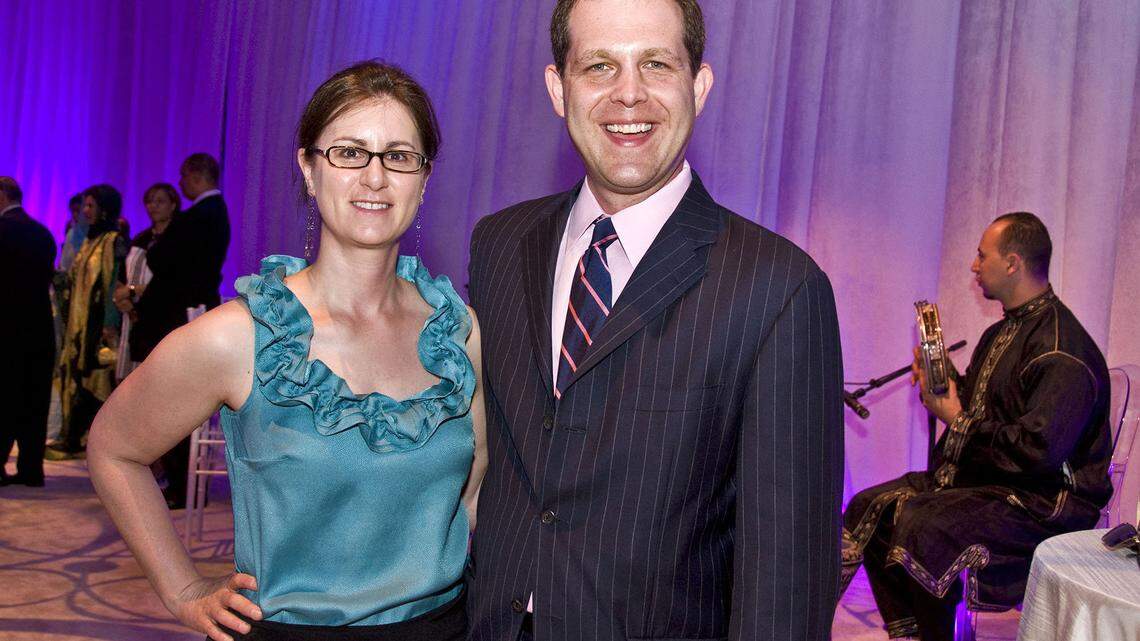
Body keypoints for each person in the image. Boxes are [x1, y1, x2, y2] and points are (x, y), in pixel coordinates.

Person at [464, 1, 845, 639]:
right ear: (559, 88)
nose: (629, 94)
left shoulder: (779, 288)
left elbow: (784, 582)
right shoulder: (500, 244)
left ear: (699, 85)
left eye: (657, 64)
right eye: (600, 67)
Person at [88, 60, 486, 641]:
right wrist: (183, 591)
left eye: (399, 156)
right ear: (308, 166)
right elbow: (113, 448)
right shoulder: (241, 337)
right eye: (349, 152)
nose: (375, 177)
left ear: (423, 179)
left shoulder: (458, 333)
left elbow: (471, 495)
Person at [840, 212, 1112, 641]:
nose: (974, 265)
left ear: (1013, 263)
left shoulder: (1062, 349)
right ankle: (909, 632)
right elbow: (986, 405)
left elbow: (1038, 450)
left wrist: (956, 418)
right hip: (989, 482)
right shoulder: (1002, 331)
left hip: (1042, 503)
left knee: (922, 521)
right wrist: (945, 378)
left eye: (982, 256)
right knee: (866, 507)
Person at [131, 154, 230, 507]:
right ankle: (176, 479)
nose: (181, 181)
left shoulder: (201, 215)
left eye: (182, 176)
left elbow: (165, 261)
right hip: (185, 312)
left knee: (176, 400)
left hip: (180, 316)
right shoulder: (211, 213)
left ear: (194, 175)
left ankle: (179, 483)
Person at [47, 184, 127, 461]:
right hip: (78, 326)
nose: (86, 211)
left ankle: (89, 440)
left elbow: (112, 284)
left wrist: (108, 324)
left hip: (96, 327)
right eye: (85, 205)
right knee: (75, 377)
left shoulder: (112, 241)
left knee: (96, 379)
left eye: (92, 205)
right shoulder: (89, 240)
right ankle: (73, 436)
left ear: (105, 208)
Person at [0, 176, 56, 486]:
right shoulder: (42, 234)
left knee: (4, 399)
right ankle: (31, 468)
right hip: (38, 328)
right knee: (35, 400)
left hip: (5, 329)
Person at [112, 182, 180, 381]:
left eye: (160, 201)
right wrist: (123, 300)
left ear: (173, 204)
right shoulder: (141, 239)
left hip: (163, 319)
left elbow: (172, 284)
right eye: (150, 201)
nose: (154, 206)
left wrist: (133, 291)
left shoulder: (177, 240)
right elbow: (121, 279)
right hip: (134, 319)